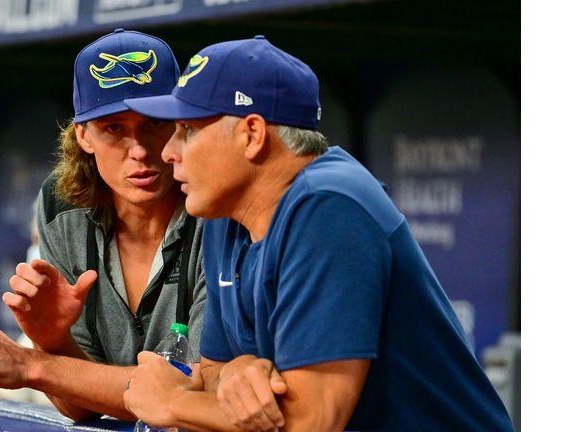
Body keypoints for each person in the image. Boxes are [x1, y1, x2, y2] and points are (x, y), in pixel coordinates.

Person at [120, 36, 515, 432]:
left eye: (187, 129)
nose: (169, 151)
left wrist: (172, 402)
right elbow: (214, 371)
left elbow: (311, 422)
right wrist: (236, 372)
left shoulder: (330, 205)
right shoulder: (224, 214)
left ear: (252, 135)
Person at [0, 29, 207, 423]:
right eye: (113, 128)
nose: (141, 150)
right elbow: (81, 405)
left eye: (155, 123)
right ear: (83, 136)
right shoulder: (63, 206)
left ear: (182, 124)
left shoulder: (216, 208)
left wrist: (32, 364)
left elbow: (191, 398)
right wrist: (54, 339)